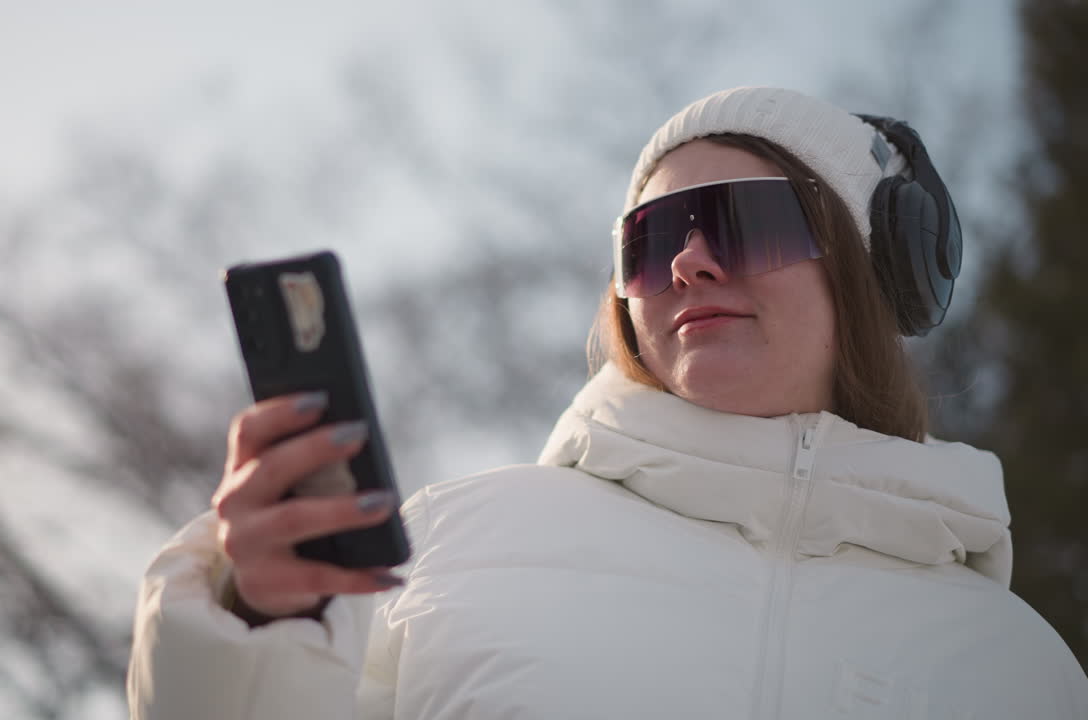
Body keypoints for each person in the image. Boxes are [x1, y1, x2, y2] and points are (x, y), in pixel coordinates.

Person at [126, 87, 1088, 719]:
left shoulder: (1020, 664)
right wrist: (256, 629)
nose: (689, 262)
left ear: (870, 275)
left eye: (743, 222)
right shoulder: (453, 541)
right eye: (651, 240)